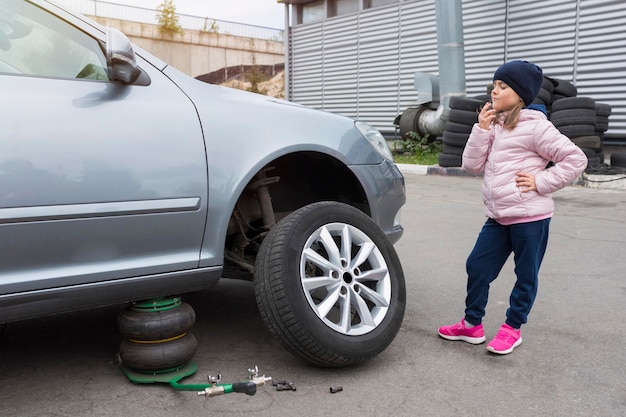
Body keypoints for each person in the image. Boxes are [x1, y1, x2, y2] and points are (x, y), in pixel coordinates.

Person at [438, 60, 587, 354]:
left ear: (520, 94)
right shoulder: (494, 125)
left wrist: (541, 182)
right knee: (477, 266)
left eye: (502, 86)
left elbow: (576, 159)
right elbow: (470, 165)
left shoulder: (536, 128)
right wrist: (480, 130)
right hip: (498, 215)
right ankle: (472, 325)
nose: (494, 91)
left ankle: (512, 328)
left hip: (530, 217)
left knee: (526, 275)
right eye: (494, 85)